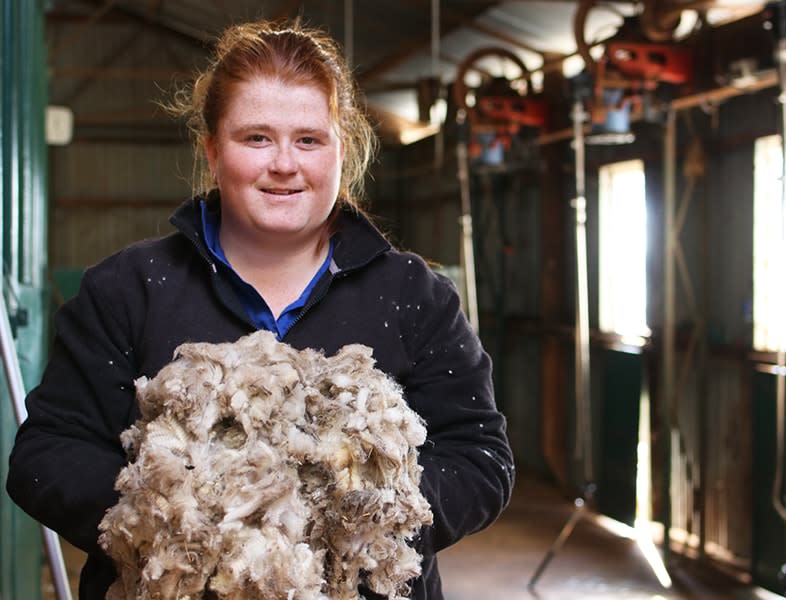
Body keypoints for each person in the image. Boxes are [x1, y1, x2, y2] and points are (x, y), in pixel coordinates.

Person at [6, 18, 514, 600]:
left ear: (340, 151)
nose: (284, 164)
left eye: (308, 139)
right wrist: (177, 519)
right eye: (256, 138)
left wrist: (359, 522)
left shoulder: (414, 296)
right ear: (213, 150)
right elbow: (45, 455)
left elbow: (481, 457)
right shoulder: (129, 288)